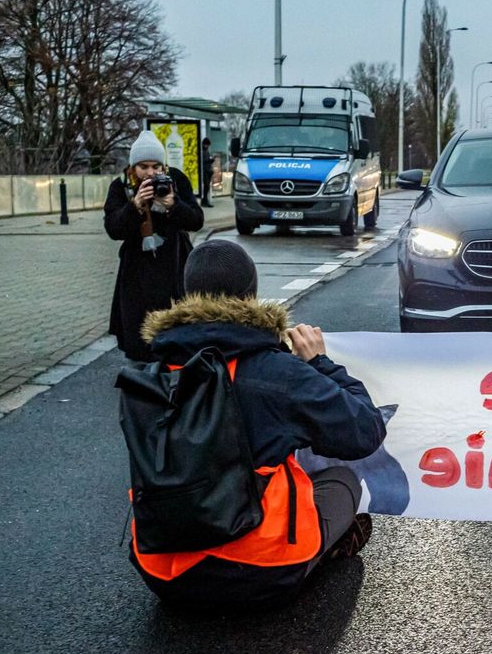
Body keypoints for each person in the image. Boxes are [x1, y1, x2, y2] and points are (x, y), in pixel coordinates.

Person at [129, 240, 386, 607]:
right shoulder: (277, 371)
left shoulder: (151, 375)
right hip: (262, 574)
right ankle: (315, 555)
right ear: (251, 296)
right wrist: (318, 363)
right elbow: (365, 432)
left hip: (162, 572)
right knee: (343, 482)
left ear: (185, 295)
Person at [104, 130, 204, 361]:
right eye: (144, 167)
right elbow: (113, 229)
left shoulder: (175, 180)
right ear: (133, 167)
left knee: (177, 327)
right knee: (138, 332)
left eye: (156, 167)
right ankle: (141, 377)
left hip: (174, 263)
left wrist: (172, 204)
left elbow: (196, 220)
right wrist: (135, 205)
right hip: (136, 270)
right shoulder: (121, 187)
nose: (150, 173)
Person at [199, 137, 214, 208]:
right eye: (206, 145)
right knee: (206, 186)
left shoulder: (206, 151)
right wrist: (210, 160)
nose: (207, 146)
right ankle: (204, 201)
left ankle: (204, 200)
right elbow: (203, 161)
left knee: (207, 187)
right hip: (205, 171)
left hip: (208, 171)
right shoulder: (202, 151)